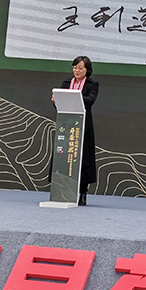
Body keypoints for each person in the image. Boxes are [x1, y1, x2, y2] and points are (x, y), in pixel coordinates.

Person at [53, 56, 99, 205]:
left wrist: (73, 96)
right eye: (74, 67)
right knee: (63, 156)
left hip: (83, 125)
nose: (76, 71)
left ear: (87, 70)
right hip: (66, 125)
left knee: (83, 158)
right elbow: (58, 103)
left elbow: (90, 100)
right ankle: (61, 190)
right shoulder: (66, 83)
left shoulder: (92, 84)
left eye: (80, 68)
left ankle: (83, 192)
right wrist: (56, 99)